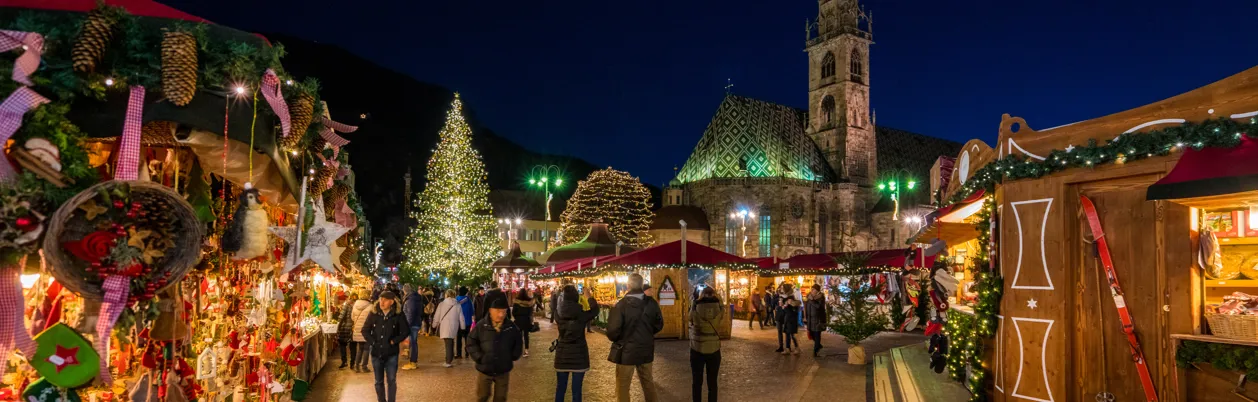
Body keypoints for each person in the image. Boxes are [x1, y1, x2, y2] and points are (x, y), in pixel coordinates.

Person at [606, 273, 664, 402]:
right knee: (648, 383)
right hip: (646, 348)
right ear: (642, 285)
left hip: (626, 351)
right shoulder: (652, 303)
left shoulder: (621, 305)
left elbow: (612, 331)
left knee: (623, 386)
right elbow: (659, 324)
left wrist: (620, 338)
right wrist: (647, 333)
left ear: (628, 286)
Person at [467, 293, 523, 402]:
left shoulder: (510, 327)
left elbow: (518, 342)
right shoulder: (482, 325)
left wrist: (513, 355)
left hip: (503, 369)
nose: (501, 314)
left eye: (503, 311)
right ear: (490, 311)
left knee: (501, 398)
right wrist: (479, 357)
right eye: (498, 311)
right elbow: (471, 341)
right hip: (485, 369)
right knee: (482, 396)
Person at [361, 291, 410, 402]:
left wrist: (394, 341)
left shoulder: (398, 315)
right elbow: (365, 330)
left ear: (391, 302)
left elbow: (406, 331)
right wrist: (373, 342)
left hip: (391, 354)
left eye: (385, 300)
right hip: (376, 353)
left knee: (391, 380)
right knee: (378, 381)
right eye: (380, 299)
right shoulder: (373, 314)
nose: (381, 302)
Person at [554, 284, 599, 402]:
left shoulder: (558, 314)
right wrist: (588, 296)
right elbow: (595, 310)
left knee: (560, 389)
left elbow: (555, 306)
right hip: (579, 355)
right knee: (577, 391)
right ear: (576, 297)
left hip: (562, 355)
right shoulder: (582, 314)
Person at [690, 287, 723, 402]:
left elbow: (690, 319)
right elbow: (722, 317)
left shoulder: (696, 305)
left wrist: (694, 302)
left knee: (697, 381)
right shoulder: (719, 307)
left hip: (697, 347)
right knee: (712, 382)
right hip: (714, 348)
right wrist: (718, 298)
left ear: (702, 294)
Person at [434, 289, 467, 368]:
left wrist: (434, 325)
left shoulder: (441, 304)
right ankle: (450, 358)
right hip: (454, 326)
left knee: (448, 343)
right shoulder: (457, 305)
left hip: (444, 326)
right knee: (450, 341)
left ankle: (448, 361)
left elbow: (437, 316)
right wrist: (463, 326)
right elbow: (461, 317)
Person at [804, 284, 830, 357]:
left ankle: (815, 350)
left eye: (813, 289)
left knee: (817, 334)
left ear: (817, 291)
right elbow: (806, 307)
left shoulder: (821, 297)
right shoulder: (809, 297)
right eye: (811, 289)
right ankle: (818, 345)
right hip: (810, 318)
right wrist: (805, 316)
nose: (811, 291)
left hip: (818, 319)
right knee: (811, 334)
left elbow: (818, 306)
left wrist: (811, 300)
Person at [351, 291, 374, 372]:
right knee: (366, 348)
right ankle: (364, 366)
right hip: (367, 330)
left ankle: (356, 366)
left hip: (357, 329)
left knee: (360, 348)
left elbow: (352, 317)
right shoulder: (371, 306)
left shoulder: (355, 305)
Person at [401, 284, 422, 370]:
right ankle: (412, 360)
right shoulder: (415, 298)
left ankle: (413, 362)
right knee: (412, 342)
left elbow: (410, 313)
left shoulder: (410, 300)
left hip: (412, 324)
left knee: (413, 342)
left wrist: (407, 325)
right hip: (415, 323)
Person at [777, 284, 802, 355]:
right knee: (787, 333)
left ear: (786, 289)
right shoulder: (783, 297)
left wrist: (792, 303)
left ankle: (797, 348)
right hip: (787, 317)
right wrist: (782, 305)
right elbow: (783, 306)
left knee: (792, 334)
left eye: (782, 288)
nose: (781, 289)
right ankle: (787, 348)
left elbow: (798, 303)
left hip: (792, 318)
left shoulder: (791, 297)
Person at [512, 288, 537, 357]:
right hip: (526, 320)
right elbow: (531, 312)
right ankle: (526, 350)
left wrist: (517, 317)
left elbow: (513, 312)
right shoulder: (529, 302)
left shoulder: (516, 303)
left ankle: (519, 349)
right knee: (526, 335)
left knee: (519, 335)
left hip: (518, 320)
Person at [336, 296, 357, 369]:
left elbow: (341, 317)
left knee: (342, 344)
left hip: (345, 328)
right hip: (353, 328)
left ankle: (344, 361)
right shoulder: (356, 306)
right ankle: (352, 363)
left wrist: (338, 326)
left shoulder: (346, 306)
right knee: (353, 346)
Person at [456, 287, 474, 358]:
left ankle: (459, 353)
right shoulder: (468, 300)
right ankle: (467, 352)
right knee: (467, 338)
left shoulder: (456, 299)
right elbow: (472, 311)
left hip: (459, 322)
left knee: (459, 338)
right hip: (467, 322)